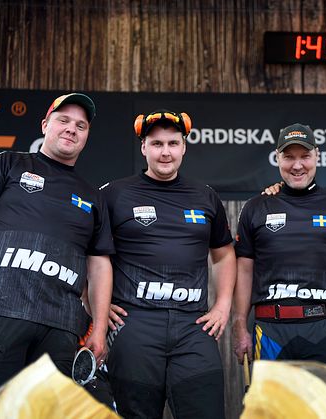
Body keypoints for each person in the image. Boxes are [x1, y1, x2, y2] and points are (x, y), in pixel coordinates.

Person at [0, 93, 114, 419]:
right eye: (63, 120)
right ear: (45, 124)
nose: (71, 129)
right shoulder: (8, 163)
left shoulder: (93, 197)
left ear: (87, 135)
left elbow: (100, 266)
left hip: (60, 329)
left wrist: (100, 327)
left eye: (81, 125)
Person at [100, 109, 236, 419]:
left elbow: (224, 254)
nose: (165, 152)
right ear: (143, 147)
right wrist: (95, 304)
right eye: (157, 143)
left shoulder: (205, 196)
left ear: (184, 147)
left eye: (173, 143)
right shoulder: (113, 194)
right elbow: (91, 254)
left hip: (193, 325)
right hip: (135, 323)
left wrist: (223, 306)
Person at [231, 123, 326, 372]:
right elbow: (243, 270)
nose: (297, 165)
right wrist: (240, 324)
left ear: (317, 155)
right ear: (277, 158)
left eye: (305, 156)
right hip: (271, 330)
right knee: (275, 411)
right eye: (289, 157)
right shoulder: (256, 207)